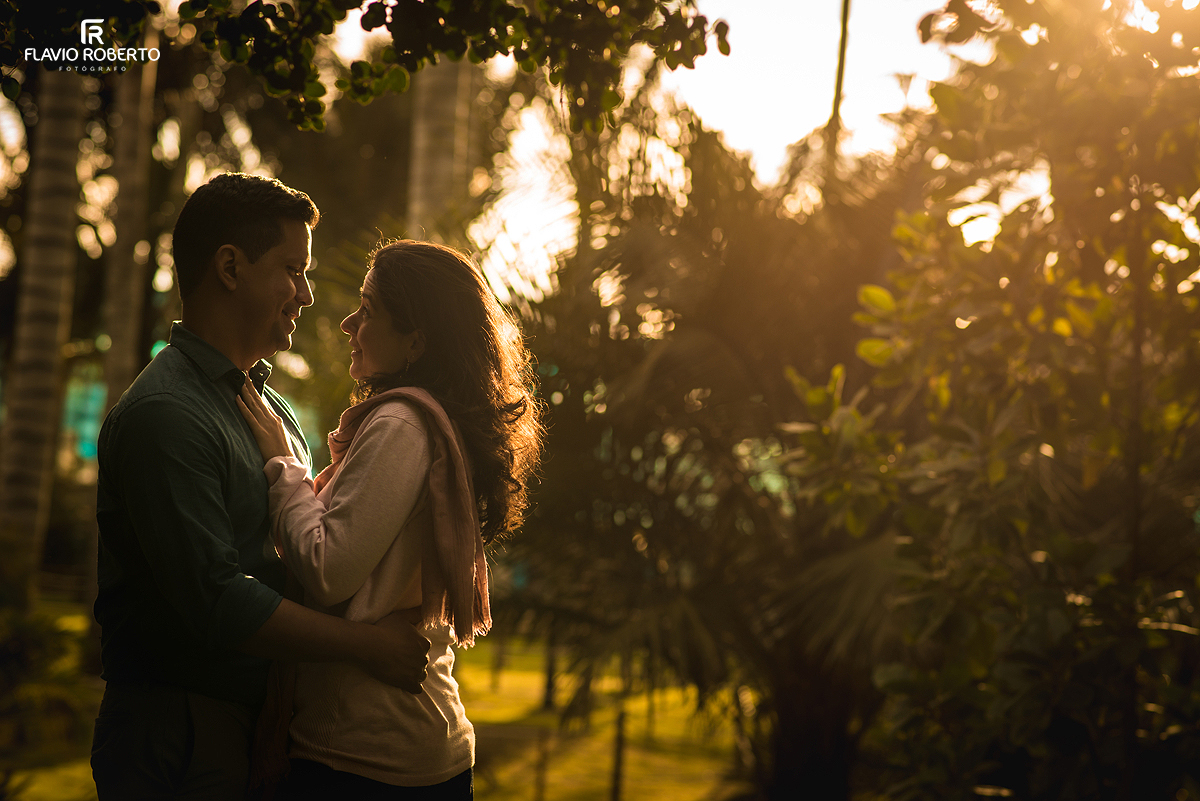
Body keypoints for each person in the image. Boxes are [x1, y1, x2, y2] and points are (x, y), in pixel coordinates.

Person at [91, 174, 431, 801]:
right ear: (229, 268)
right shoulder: (167, 414)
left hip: (255, 724)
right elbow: (217, 598)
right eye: (292, 270)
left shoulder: (266, 408)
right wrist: (366, 648)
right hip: (182, 729)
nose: (305, 295)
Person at [236, 239, 543, 799]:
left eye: (369, 310)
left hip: (365, 756)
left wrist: (283, 466)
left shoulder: (401, 423)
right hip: (407, 747)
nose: (349, 324)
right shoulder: (436, 423)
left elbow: (329, 570)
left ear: (415, 342)